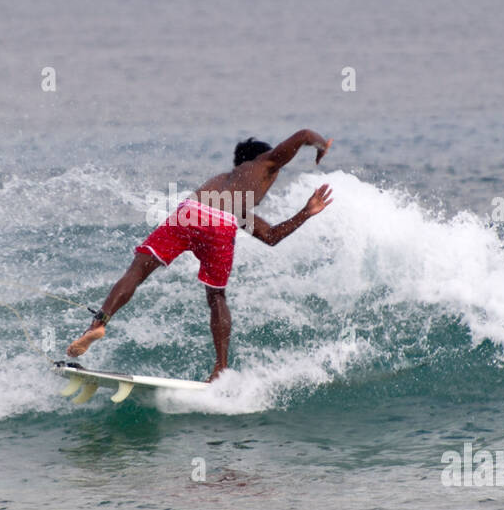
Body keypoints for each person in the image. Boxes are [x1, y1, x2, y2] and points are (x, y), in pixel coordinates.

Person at [67, 129, 334, 380]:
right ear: (263, 158)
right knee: (217, 296)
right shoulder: (265, 162)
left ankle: (97, 324)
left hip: (191, 210)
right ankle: (220, 368)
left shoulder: (223, 186)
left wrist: (305, 212)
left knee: (136, 272)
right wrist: (322, 146)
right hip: (221, 222)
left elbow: (270, 236)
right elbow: (304, 135)